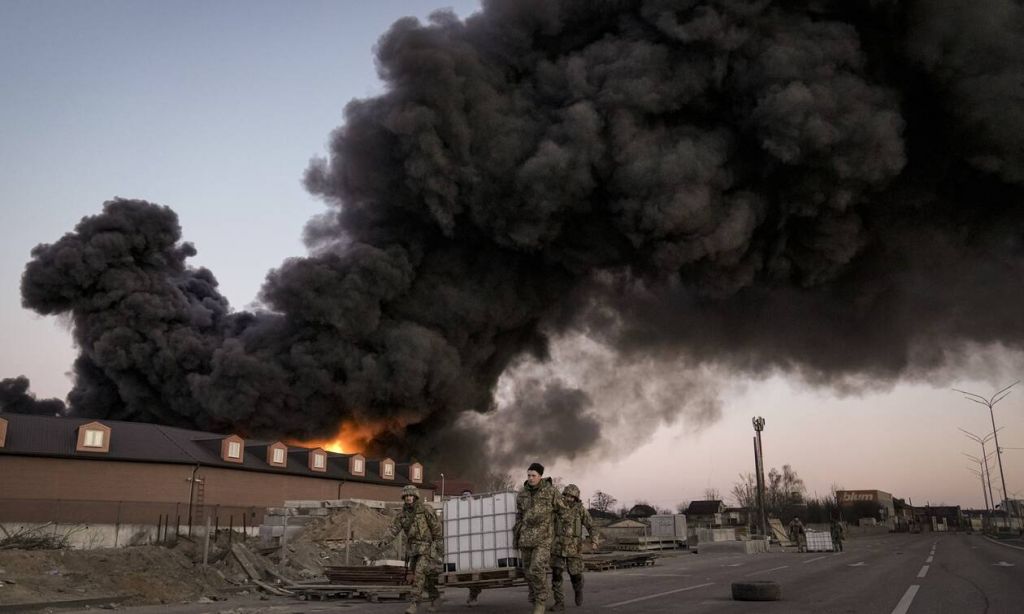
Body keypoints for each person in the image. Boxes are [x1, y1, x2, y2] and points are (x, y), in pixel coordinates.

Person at [379, 485, 443, 614]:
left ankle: (414, 604)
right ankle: (435, 597)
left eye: (411, 495)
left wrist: (438, 547)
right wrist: (384, 540)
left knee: (419, 574)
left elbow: (436, 528)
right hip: (413, 550)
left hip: (427, 548)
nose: (408, 498)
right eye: (406, 496)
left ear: (415, 497)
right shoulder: (402, 515)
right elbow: (393, 529)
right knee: (424, 578)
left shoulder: (425, 510)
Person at [514, 462, 564, 614]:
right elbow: (520, 516)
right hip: (526, 539)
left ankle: (540, 601)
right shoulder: (522, 494)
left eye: (533, 475)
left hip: (543, 539)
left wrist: (563, 535)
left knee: (536, 568)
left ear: (540, 476)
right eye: (528, 475)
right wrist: (517, 536)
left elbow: (563, 512)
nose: (530, 478)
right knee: (528, 572)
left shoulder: (551, 492)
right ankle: (535, 597)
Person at [550, 484, 596, 611]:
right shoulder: (557, 508)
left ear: (576, 498)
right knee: (556, 574)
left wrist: (594, 540)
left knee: (575, 574)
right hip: (558, 546)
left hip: (574, 548)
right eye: (566, 496)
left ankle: (578, 589)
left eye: (572, 497)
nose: (569, 499)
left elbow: (591, 526)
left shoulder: (580, 510)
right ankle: (559, 602)